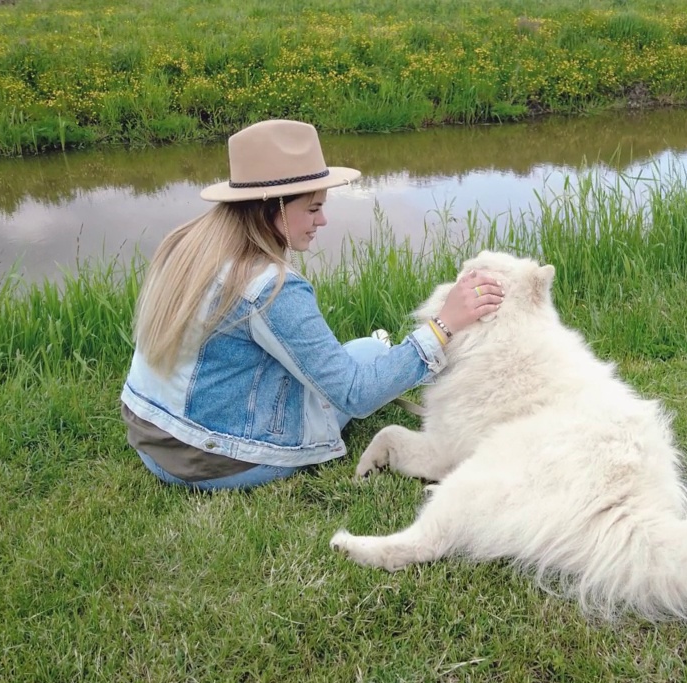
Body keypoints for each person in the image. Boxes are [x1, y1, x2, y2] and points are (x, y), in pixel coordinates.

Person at [120, 119, 504, 491]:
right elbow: (356, 395)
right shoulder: (269, 286)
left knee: (362, 354)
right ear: (272, 205)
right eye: (313, 207)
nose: (323, 219)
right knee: (369, 355)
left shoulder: (188, 244)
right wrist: (443, 325)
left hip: (153, 438)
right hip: (218, 462)